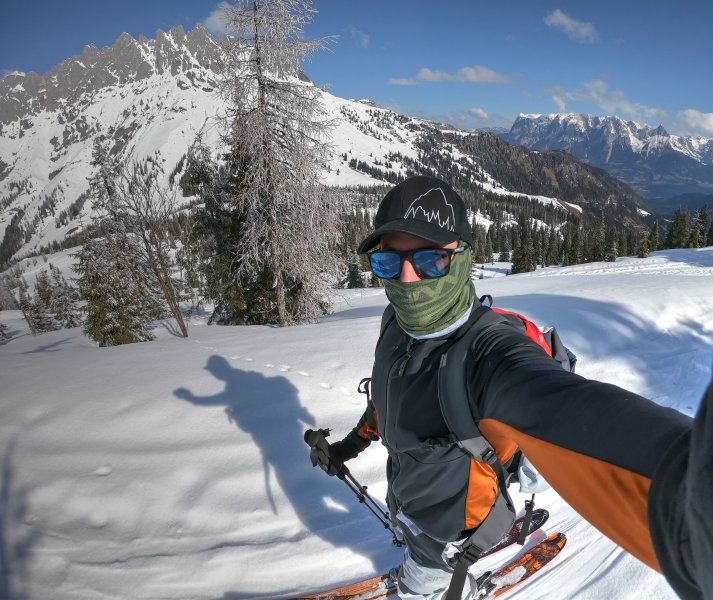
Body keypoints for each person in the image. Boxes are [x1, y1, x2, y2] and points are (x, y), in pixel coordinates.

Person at [307, 175, 712, 600]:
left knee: (423, 584)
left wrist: (696, 514)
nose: (408, 280)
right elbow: (388, 400)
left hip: (453, 524)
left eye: (430, 260)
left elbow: (577, 414)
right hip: (406, 496)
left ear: (461, 258)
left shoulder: (490, 355)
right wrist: (349, 447)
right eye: (389, 262)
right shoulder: (395, 324)